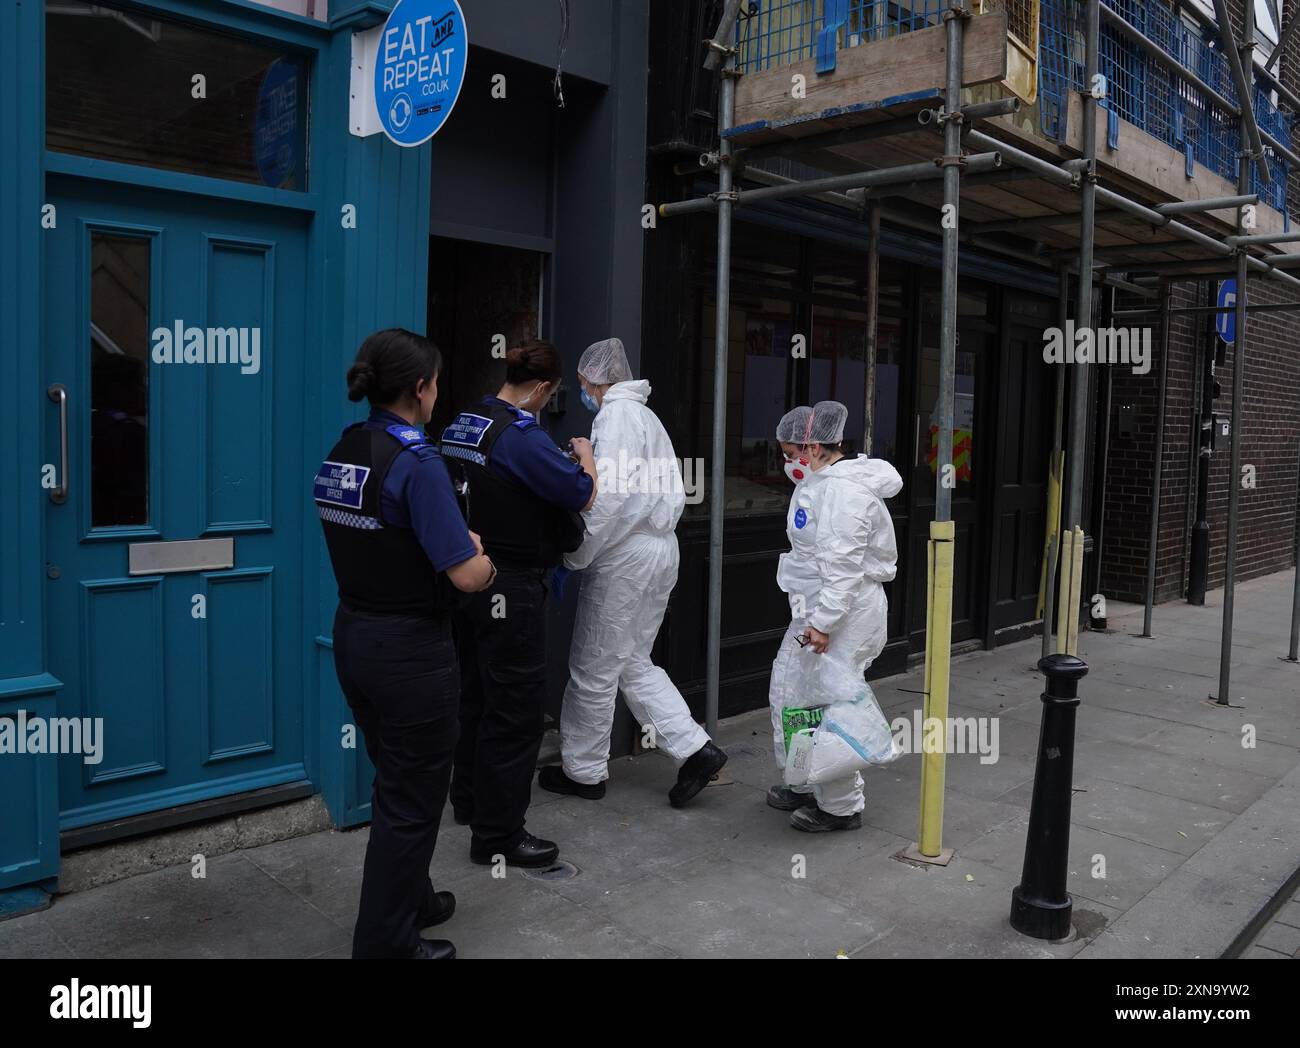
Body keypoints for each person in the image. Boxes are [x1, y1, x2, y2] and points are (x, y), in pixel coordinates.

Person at [314, 328, 496, 960]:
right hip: (412, 649)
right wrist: (481, 557)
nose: (438, 392)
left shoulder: (345, 449)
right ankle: (386, 943)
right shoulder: (418, 463)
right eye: (437, 382)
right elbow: (467, 577)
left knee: (396, 781)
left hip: (355, 638)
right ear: (420, 389)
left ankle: (412, 898)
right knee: (412, 801)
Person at [540, 337, 727, 807]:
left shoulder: (617, 417)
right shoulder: (645, 417)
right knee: (633, 661)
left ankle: (583, 773)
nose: (582, 390)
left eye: (582, 383)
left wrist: (573, 556)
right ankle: (696, 750)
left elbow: (611, 499)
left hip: (626, 556)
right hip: (659, 549)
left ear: (593, 381)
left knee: (593, 666)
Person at [439, 340, 598, 869]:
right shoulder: (520, 436)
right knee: (515, 711)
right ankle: (499, 835)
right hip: (510, 583)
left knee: (475, 695)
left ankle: (469, 802)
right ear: (540, 389)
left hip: (467, 577)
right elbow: (580, 494)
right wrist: (586, 459)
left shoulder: (463, 422)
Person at [766, 400, 903, 832]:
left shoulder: (844, 492)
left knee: (831, 702)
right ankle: (805, 776)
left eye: (791, 454)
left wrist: (823, 625)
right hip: (818, 607)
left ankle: (841, 806)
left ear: (812, 446)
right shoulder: (822, 482)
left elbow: (842, 567)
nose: (788, 463)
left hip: (842, 612)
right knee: (791, 691)